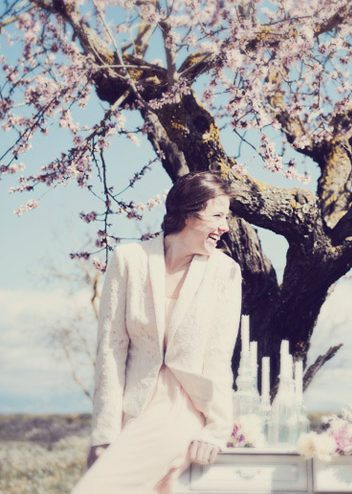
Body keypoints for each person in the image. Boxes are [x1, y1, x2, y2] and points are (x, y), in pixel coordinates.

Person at [72, 172, 242, 494]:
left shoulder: (225, 272)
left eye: (226, 216)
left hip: (183, 407)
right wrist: (105, 433)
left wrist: (217, 430)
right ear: (189, 214)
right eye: (218, 215)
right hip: (131, 408)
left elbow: (219, 357)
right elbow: (111, 349)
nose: (225, 226)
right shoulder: (129, 261)